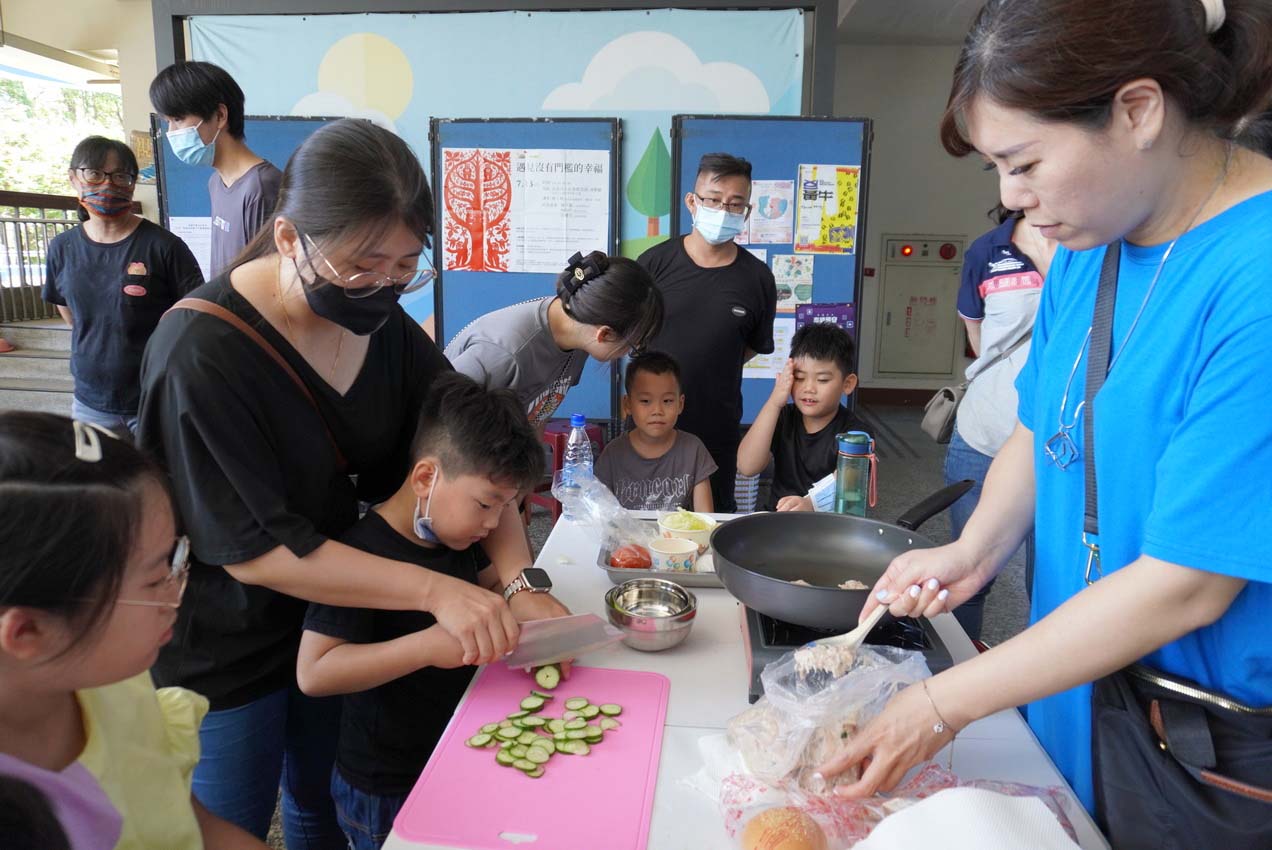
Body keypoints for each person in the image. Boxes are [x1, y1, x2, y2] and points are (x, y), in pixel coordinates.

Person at [817, 2, 1272, 845]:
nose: (1010, 196)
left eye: (1024, 163)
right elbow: (1042, 429)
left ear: (1138, 110)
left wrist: (942, 701)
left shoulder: (1256, 276)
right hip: (1070, 691)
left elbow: (1189, 582)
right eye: (997, 166)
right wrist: (973, 550)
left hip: (1194, 755)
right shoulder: (1090, 247)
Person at [137, 118, 569, 847]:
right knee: (227, 826)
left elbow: (475, 456)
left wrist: (519, 580)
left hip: (348, 612)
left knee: (320, 801)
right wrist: (439, 592)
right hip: (231, 639)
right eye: (363, 267)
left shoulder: (382, 325)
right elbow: (257, 552)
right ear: (287, 238)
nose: (383, 288)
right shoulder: (199, 353)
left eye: (405, 268)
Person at [296, 372, 544, 849]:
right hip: (385, 785)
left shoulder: (452, 531)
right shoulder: (361, 554)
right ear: (426, 477)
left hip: (450, 752)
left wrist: (514, 598)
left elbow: (480, 587)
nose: (494, 523)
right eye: (486, 504)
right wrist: (427, 646)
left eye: (506, 507)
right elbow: (315, 672)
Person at [0, 411, 268, 850]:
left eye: (176, 558)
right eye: (156, 577)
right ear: (29, 631)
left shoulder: (112, 679)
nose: (178, 588)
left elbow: (190, 823)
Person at [639, 153, 778, 512]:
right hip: (649, 423)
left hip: (717, 427)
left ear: (747, 212)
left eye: (734, 204)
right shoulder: (653, 264)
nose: (723, 210)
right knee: (643, 520)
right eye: (713, 200)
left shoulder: (758, 279)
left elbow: (749, 346)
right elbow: (632, 335)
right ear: (692, 202)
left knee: (712, 523)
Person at [942, 203, 1055, 640]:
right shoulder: (987, 252)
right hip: (983, 437)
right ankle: (963, 666)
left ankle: (1045, 675)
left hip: (1059, 448)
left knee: (1050, 584)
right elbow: (979, 341)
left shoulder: (1096, 248)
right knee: (968, 574)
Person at [41, 136, 203, 437]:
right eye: (94, 173)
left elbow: (194, 318)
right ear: (74, 178)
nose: (107, 184)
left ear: (132, 183)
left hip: (154, 397)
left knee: (158, 469)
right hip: (90, 399)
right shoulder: (62, 248)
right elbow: (67, 308)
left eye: (120, 176)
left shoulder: (165, 246)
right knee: (98, 469)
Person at [445, 250, 663, 427]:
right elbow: (440, 418)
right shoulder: (505, 354)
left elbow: (538, 416)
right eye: (632, 345)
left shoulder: (579, 332)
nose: (626, 354)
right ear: (604, 334)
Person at [150, 61, 283, 277]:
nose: (171, 132)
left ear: (220, 116)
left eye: (178, 119)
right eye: (167, 122)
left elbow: (268, 281)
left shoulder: (262, 187)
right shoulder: (216, 182)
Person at [736, 322, 864, 513]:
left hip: (829, 524)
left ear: (847, 384)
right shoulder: (783, 417)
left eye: (822, 380)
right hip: (779, 518)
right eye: (799, 378)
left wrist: (811, 504)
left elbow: (849, 481)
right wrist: (774, 402)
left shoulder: (856, 434)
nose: (809, 388)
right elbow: (747, 467)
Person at [595, 351, 716, 512]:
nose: (657, 410)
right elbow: (601, 515)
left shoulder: (694, 450)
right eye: (645, 401)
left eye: (667, 401)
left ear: (680, 404)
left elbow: (706, 517)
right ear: (628, 405)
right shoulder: (613, 454)